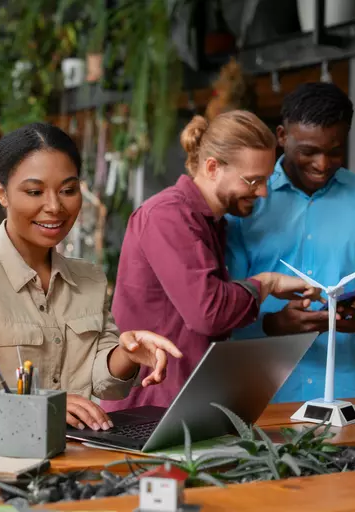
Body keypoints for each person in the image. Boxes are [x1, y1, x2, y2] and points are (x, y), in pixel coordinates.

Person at [0, 123, 182, 431]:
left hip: (75, 458)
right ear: (2, 193)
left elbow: (106, 384)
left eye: (68, 190)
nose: (54, 207)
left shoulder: (88, 277)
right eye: (34, 192)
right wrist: (26, 409)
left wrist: (126, 353)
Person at [100, 110, 322, 413]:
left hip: (185, 404)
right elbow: (208, 313)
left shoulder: (212, 223)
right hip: (151, 409)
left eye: (266, 179)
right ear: (212, 167)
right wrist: (267, 283)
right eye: (253, 180)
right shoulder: (167, 216)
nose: (263, 192)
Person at [225, 83, 355, 403]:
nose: (322, 164)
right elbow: (219, 303)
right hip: (254, 401)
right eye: (309, 151)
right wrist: (271, 324)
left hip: (342, 400)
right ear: (282, 136)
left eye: (335, 150)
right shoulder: (245, 202)